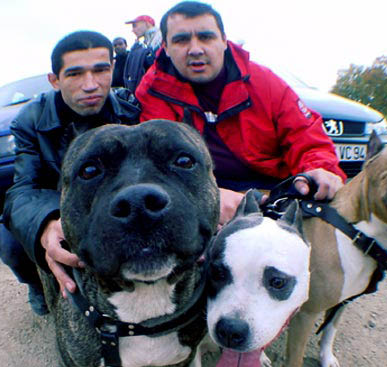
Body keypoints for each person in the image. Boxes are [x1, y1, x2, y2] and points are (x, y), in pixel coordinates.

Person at [136, 1, 347, 225]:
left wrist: (319, 170)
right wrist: (207, 197)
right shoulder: (152, 91)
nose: (195, 49)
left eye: (206, 37)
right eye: (181, 40)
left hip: (273, 189)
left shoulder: (264, 82)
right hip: (200, 192)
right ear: (166, 48)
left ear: (224, 41)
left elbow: (306, 137)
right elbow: (156, 166)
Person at [0, 31, 140, 315]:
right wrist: (46, 222)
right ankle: (36, 283)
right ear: (54, 80)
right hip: (58, 204)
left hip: (116, 202)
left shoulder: (129, 109)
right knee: (10, 243)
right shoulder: (30, 120)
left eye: (101, 70)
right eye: (75, 74)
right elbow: (23, 188)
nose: (90, 85)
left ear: (113, 69)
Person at [123, 15, 162, 92]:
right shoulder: (147, 40)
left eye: (135, 26)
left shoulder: (160, 38)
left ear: (147, 23)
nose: (133, 30)